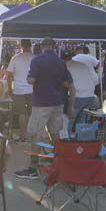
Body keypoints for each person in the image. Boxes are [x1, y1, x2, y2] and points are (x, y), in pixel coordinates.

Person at [15, 37, 74, 180]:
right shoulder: (61, 62)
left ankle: (33, 169)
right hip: (57, 103)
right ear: (54, 47)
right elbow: (67, 83)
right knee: (55, 134)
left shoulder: (36, 60)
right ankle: (58, 165)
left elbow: (31, 80)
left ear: (42, 47)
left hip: (41, 102)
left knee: (36, 134)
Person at [6, 39, 35, 142]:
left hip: (18, 90)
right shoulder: (35, 58)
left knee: (22, 113)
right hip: (33, 89)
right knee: (33, 114)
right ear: (30, 45)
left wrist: (9, 88)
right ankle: (32, 136)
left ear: (21, 46)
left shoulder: (15, 58)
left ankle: (22, 136)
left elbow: (9, 75)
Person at [67, 50, 99, 131]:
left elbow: (65, 83)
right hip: (91, 95)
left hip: (79, 95)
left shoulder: (66, 65)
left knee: (70, 119)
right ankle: (80, 139)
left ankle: (68, 139)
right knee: (82, 123)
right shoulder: (81, 64)